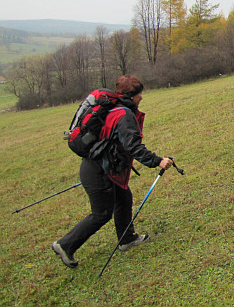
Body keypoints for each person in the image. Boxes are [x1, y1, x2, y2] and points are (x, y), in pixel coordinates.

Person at [52, 75, 173, 268]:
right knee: (101, 214)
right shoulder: (123, 115)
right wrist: (158, 161)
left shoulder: (114, 109)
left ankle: (127, 239)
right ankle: (65, 245)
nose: (141, 97)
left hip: (102, 167)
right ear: (131, 95)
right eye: (139, 93)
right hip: (99, 171)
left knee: (123, 197)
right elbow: (134, 147)